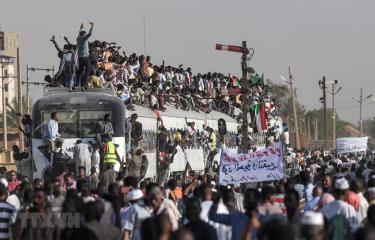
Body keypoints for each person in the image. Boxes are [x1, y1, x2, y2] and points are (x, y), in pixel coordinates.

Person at [76, 22, 94, 90]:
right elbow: (90, 34)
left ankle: (77, 84)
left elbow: (78, 34)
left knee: (80, 71)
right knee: (87, 70)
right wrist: (92, 26)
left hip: (80, 58)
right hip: (85, 58)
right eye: (85, 34)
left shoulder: (78, 39)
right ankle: (84, 84)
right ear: (84, 35)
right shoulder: (84, 39)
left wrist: (81, 28)